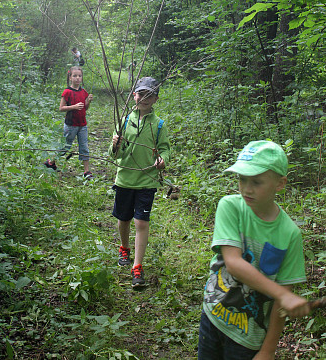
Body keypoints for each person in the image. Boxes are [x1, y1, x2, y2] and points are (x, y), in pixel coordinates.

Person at [198, 140, 311, 359]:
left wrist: (268, 349)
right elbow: (234, 262)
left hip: (250, 337)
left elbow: (283, 300)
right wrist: (281, 294)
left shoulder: (289, 234)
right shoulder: (230, 207)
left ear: (280, 183)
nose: (246, 188)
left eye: (257, 182)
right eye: (242, 179)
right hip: (213, 316)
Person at [109, 77, 171, 288]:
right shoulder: (124, 121)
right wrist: (116, 144)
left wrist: (163, 160)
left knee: (141, 222)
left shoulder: (159, 125)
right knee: (123, 218)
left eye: (149, 95)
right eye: (140, 94)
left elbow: (165, 149)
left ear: (155, 98)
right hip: (125, 178)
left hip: (147, 180)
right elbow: (114, 155)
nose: (144, 98)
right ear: (133, 95)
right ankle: (124, 247)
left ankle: (137, 266)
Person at [44, 66, 93, 179]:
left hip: (82, 125)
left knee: (84, 147)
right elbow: (61, 108)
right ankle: (51, 162)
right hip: (70, 125)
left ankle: (86, 171)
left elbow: (85, 108)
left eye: (79, 76)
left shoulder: (83, 92)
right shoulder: (67, 92)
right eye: (74, 76)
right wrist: (74, 107)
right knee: (66, 145)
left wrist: (88, 101)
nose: (77, 78)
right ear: (70, 77)